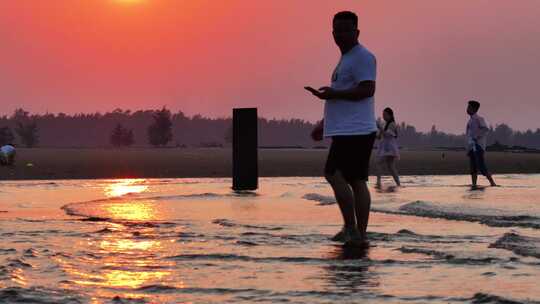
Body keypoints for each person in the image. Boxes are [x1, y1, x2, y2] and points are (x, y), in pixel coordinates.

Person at [306, 11, 377, 245]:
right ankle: (357, 233)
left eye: (347, 30)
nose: (341, 35)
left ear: (357, 32)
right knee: (355, 180)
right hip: (345, 129)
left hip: (356, 130)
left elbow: (367, 90)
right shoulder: (345, 59)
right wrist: (323, 124)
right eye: (338, 30)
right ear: (332, 33)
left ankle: (352, 229)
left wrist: (334, 93)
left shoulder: (363, 57)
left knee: (334, 174)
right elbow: (342, 97)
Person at [466, 100, 497, 189]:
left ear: (474, 109)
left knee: (481, 165)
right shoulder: (470, 121)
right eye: (467, 107)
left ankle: (492, 183)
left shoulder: (479, 119)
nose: (467, 109)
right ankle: (474, 184)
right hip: (471, 146)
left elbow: (485, 129)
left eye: (469, 107)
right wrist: (468, 147)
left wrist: (477, 136)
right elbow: (468, 134)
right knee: (473, 166)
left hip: (478, 146)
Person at [375, 107, 400, 188]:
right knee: (391, 166)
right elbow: (379, 136)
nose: (384, 116)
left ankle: (378, 183)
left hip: (389, 148)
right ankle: (398, 184)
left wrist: (380, 128)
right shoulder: (384, 124)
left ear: (390, 115)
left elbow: (386, 134)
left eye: (385, 115)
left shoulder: (392, 124)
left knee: (379, 163)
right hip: (385, 147)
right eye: (383, 115)